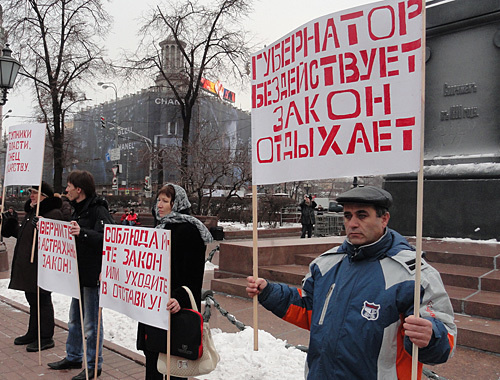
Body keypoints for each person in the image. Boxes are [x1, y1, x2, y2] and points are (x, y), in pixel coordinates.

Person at [247, 186, 457, 379]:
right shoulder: (325, 264)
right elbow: (309, 309)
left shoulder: (414, 276)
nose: (353, 223)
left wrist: (431, 336)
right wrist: (269, 292)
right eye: (348, 215)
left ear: (384, 219)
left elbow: (445, 338)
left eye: (362, 215)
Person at [136, 183, 213, 380]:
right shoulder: (159, 226)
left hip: (175, 307)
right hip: (155, 306)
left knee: (176, 362)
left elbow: (194, 274)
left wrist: (179, 298)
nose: (159, 205)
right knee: (154, 358)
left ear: (176, 203)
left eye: (165, 201)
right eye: (158, 200)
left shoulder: (188, 231)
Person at [47, 170, 115, 380]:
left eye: (69, 186)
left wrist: (82, 233)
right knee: (75, 320)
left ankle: (94, 365)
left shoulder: (97, 209)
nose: (65, 189)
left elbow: (109, 238)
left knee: (91, 324)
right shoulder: (78, 209)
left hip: (92, 276)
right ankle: (74, 356)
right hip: (78, 275)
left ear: (79, 189)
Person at [1, 182, 64, 352]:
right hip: (29, 265)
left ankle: (45, 337)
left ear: (45, 196)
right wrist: (12, 224)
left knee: (42, 300)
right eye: (31, 192)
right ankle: (33, 332)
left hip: (41, 266)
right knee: (32, 299)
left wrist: (45, 227)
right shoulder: (32, 212)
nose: (31, 196)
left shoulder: (52, 213)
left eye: (35, 193)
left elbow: (57, 237)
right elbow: (25, 235)